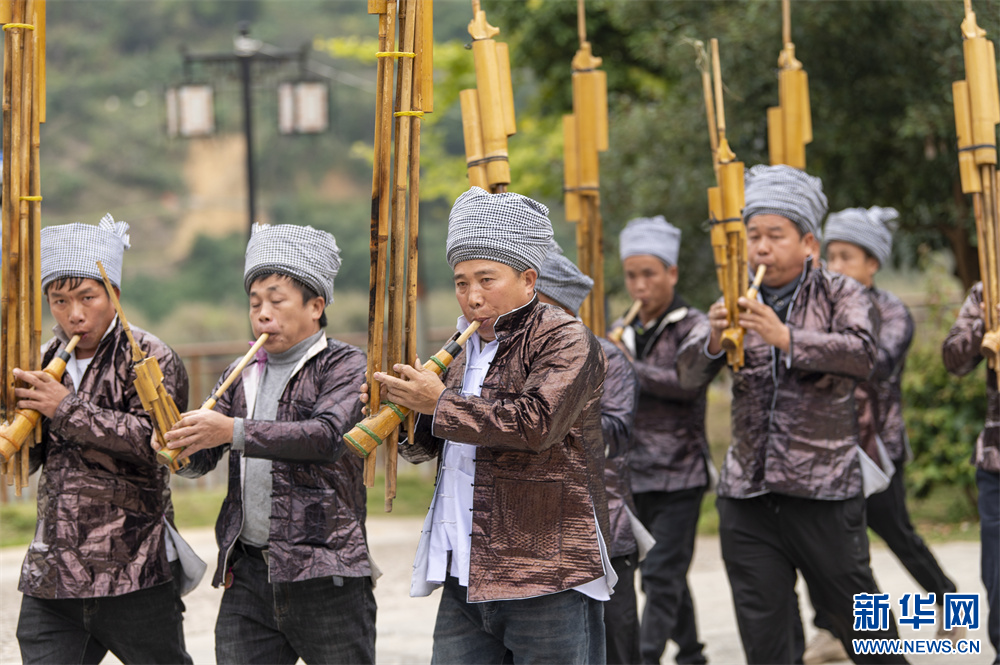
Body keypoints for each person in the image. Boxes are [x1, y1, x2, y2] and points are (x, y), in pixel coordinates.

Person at [366, 186, 611, 664]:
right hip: (466, 565)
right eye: (461, 282)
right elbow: (428, 449)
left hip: (545, 568)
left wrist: (438, 403)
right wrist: (404, 412)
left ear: (528, 279)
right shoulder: (460, 347)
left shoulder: (566, 338)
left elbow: (536, 425)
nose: (472, 296)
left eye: (486, 279)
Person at [677, 164, 905, 664]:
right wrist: (714, 338)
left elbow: (863, 356)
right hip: (747, 495)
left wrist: (786, 338)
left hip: (822, 490)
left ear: (808, 245)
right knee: (766, 637)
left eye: (775, 235)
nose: (760, 247)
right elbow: (687, 379)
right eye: (753, 235)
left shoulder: (840, 292)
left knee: (865, 625)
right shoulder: (738, 297)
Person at [164, 223, 375, 665]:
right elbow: (203, 459)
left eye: (277, 301)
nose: (263, 313)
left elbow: (327, 437)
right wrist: (178, 449)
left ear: (316, 306)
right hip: (250, 572)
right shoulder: (242, 371)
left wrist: (231, 430)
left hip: (326, 569)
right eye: (255, 302)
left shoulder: (346, 364)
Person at [14, 215, 194, 665]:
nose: (74, 314)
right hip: (53, 569)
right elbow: (35, 457)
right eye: (59, 301)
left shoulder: (149, 357)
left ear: (114, 294)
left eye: (87, 298)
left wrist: (64, 408)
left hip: (133, 567)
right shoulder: (40, 360)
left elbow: (155, 442)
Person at [797, 206, 962, 664]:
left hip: (877, 449)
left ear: (873, 263)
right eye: (830, 256)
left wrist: (824, 348)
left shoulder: (892, 312)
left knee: (897, 532)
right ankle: (831, 630)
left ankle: (947, 598)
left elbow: (876, 363)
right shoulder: (818, 308)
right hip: (825, 448)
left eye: (847, 256)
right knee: (828, 544)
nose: (835, 266)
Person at [535, 245, 644, 665]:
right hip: (536, 539)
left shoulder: (605, 354)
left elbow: (615, 433)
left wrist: (554, 411)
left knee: (616, 644)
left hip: (601, 529)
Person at [611, 215, 710, 665]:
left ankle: (645, 657)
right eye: (632, 275)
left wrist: (626, 364)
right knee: (657, 573)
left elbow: (687, 382)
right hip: (632, 473)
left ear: (671, 273)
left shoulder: (695, 326)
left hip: (680, 473)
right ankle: (691, 652)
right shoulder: (621, 328)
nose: (639, 286)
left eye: (649, 273)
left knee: (663, 574)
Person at [943, 282, 1000, 664]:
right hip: (996, 462)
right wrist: (985, 325)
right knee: (996, 575)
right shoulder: (988, 288)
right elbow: (954, 359)